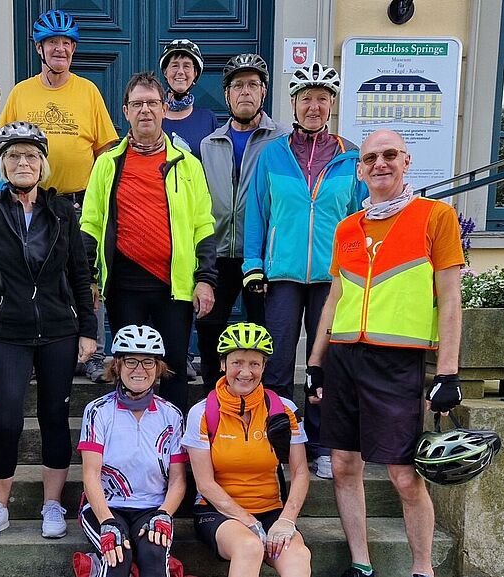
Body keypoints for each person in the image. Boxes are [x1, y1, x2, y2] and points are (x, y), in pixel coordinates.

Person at [306, 129, 464, 577]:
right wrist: (315, 363)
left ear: (406, 160)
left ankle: (422, 569)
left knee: (403, 475)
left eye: (389, 155)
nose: (380, 164)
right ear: (360, 170)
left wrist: (448, 373)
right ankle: (361, 563)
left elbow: (450, 298)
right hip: (343, 358)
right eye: (371, 157)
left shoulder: (436, 216)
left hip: (397, 361)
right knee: (342, 464)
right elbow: (334, 298)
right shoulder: (346, 228)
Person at [0, 121, 98, 542]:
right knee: (6, 420)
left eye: (32, 156)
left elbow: (81, 273)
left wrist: (88, 329)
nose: (24, 162)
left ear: (43, 165)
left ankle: (52, 505)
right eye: (15, 156)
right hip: (9, 330)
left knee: (54, 417)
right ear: (3, 164)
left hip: (59, 328)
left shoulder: (62, 212)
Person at [243, 62, 367, 479]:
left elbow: (360, 218)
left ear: (331, 104)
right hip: (281, 275)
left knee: (325, 363)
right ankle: (279, 443)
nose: (314, 106)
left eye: (322, 98)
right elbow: (257, 213)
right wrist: (253, 264)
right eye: (306, 99)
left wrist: (355, 270)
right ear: (293, 105)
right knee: (276, 363)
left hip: (333, 278)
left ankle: (323, 445)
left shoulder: (351, 157)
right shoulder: (271, 154)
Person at [80, 71, 217, 415]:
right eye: (137, 103)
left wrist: (205, 279)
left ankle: (172, 451)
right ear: (125, 110)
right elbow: (91, 224)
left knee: (172, 369)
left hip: (175, 288)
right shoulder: (107, 164)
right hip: (124, 286)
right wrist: (89, 281)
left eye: (152, 103)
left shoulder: (187, 164)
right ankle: (127, 440)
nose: (145, 110)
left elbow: (204, 224)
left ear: (164, 108)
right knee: (128, 367)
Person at [0, 9, 118, 384]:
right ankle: (41, 350)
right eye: (53, 43)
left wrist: (101, 197)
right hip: (35, 200)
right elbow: (4, 146)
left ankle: (95, 351)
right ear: (39, 48)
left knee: (87, 274)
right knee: (39, 273)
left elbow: (106, 148)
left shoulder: (88, 91)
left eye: (67, 43)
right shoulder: (22, 92)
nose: (61, 49)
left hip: (81, 199)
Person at [182, 323, 311, 577]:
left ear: (264, 367)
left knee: (298, 554)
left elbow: (300, 472)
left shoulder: (283, 409)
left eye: (254, 364)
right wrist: (249, 522)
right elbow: (205, 484)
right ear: (223, 365)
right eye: (237, 362)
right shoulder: (203, 412)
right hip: (217, 511)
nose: (245, 372)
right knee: (249, 546)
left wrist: (286, 520)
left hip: (271, 508)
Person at [197, 53, 289, 392]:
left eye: (253, 85)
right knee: (209, 327)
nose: (245, 92)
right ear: (227, 94)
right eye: (238, 85)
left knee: (265, 329)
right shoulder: (210, 144)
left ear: (263, 92)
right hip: (218, 251)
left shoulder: (282, 141)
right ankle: (213, 396)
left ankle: (266, 401)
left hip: (262, 254)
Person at [78, 325, 187, 577]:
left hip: (152, 506)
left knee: (154, 558)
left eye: (148, 361)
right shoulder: (98, 411)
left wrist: (164, 514)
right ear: (117, 365)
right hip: (106, 506)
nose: (140, 369)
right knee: (117, 558)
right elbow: (91, 475)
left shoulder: (171, 415)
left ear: (158, 367)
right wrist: (107, 521)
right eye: (131, 361)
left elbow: (179, 479)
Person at [159, 38, 218, 160]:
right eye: (175, 66)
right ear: (165, 72)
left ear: (195, 73)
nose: (180, 72)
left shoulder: (207, 119)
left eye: (187, 66)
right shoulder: (153, 115)